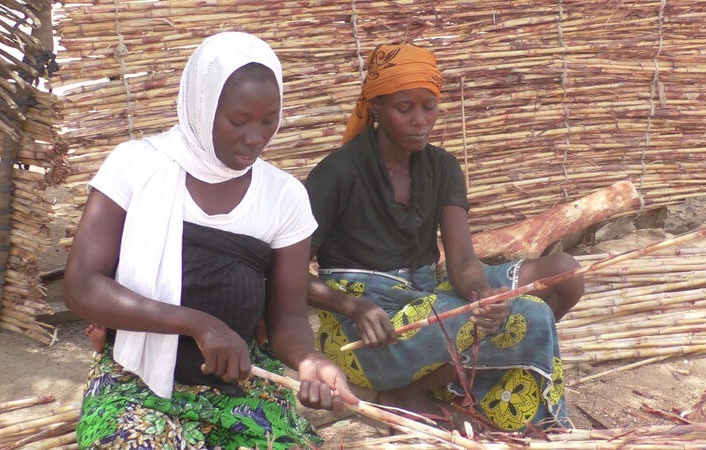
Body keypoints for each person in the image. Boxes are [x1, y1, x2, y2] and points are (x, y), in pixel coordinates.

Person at [63, 31, 358, 450]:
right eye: (239, 121)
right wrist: (199, 324)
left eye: (268, 120)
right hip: (135, 381)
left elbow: (287, 318)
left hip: (241, 386)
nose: (256, 137)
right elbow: (80, 286)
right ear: (202, 107)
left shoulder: (284, 197)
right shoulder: (137, 166)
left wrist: (310, 361)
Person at [305, 43, 584, 432]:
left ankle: (430, 382)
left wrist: (481, 294)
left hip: (426, 291)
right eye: (406, 109)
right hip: (371, 323)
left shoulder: (442, 167)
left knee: (564, 274)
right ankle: (410, 389)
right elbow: (291, 275)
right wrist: (352, 307)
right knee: (529, 315)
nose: (421, 120)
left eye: (429, 106)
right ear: (376, 108)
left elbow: (463, 262)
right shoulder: (336, 174)